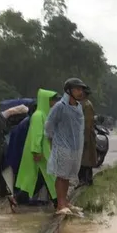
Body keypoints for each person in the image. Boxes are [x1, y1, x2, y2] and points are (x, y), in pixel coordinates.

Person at [44, 78, 88, 215]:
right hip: (61, 145)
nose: (80, 92)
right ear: (69, 91)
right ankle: (60, 204)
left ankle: (66, 202)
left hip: (74, 147)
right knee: (61, 176)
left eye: (81, 89)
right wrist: (53, 141)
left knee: (67, 175)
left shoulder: (78, 107)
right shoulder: (60, 106)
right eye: (77, 89)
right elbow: (49, 125)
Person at [15, 90, 59, 206]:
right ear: (46, 100)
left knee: (38, 179)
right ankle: (58, 203)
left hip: (44, 152)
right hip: (39, 153)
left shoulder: (45, 114)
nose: (54, 102)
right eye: (52, 100)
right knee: (47, 178)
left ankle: (17, 200)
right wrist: (36, 151)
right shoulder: (38, 115)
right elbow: (36, 135)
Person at [79, 93, 98, 186]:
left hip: (86, 136)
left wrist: (85, 138)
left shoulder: (86, 105)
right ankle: (85, 180)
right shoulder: (82, 104)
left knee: (86, 160)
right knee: (84, 160)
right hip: (83, 135)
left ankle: (85, 181)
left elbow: (87, 123)